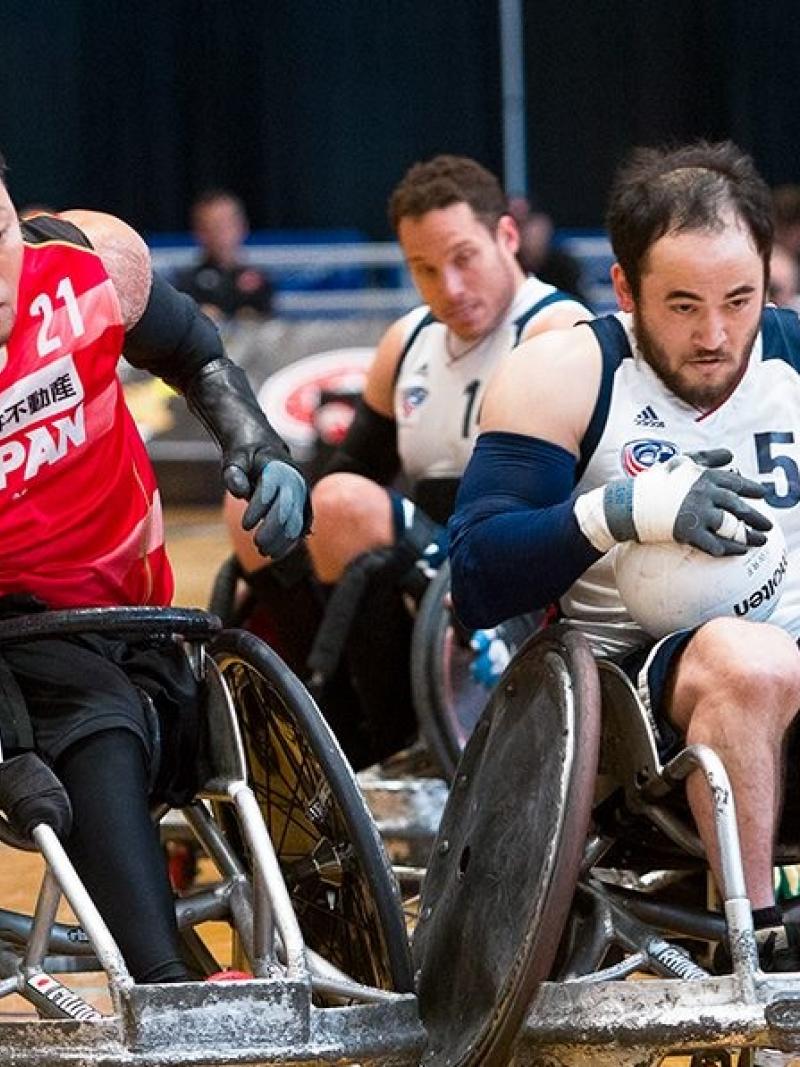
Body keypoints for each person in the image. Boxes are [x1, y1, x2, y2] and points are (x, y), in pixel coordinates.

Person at [449, 139, 800, 972]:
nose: (716, 335)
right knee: (745, 661)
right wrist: (622, 511)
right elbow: (474, 577)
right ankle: (760, 946)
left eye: (739, 299)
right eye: (681, 306)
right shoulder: (567, 374)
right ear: (623, 288)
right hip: (636, 712)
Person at [0, 155, 310, 985]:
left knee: (239, 713)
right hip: (19, 644)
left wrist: (255, 441)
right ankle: (167, 980)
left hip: (141, 618)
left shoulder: (80, 270)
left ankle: (326, 939)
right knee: (97, 718)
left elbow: (196, 352)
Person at [225, 154, 592, 767]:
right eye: (424, 269)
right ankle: (333, 724)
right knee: (253, 511)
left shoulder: (557, 327)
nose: (448, 287)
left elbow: (565, 489)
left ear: (506, 236)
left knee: (345, 507)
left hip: (518, 555)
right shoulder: (409, 340)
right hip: (420, 552)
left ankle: (384, 741)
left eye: (463, 259)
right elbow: (344, 471)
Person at [174, 189, 273, 322]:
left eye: (225, 225)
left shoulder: (259, 281)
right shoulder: (185, 284)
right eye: (211, 227)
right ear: (198, 232)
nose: (219, 235)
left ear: (242, 227)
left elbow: (266, 320)